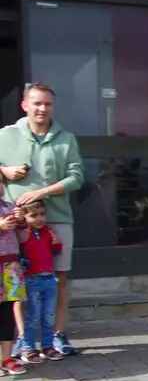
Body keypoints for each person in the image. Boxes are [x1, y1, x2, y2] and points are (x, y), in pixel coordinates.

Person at [0, 82, 85, 356]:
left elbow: (77, 177)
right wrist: (5, 170)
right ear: (25, 105)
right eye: (37, 103)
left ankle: (56, 336)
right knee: (17, 281)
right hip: (17, 222)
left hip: (57, 218)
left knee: (59, 279)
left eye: (47, 103)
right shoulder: (6, 135)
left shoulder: (66, 138)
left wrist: (43, 191)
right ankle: (21, 340)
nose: (42, 108)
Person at [15, 202, 62, 363]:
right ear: (24, 217)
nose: (39, 218)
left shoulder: (47, 231)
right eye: (34, 215)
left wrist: (56, 242)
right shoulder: (23, 234)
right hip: (32, 279)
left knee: (48, 315)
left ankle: (47, 346)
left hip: (49, 277)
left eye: (42, 214)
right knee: (32, 316)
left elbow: (55, 249)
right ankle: (28, 348)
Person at [0, 197, 25, 374]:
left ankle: (7, 358)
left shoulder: (9, 207)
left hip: (10, 267)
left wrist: (22, 221)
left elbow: (24, 238)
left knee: (7, 312)